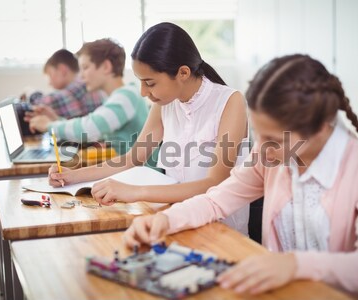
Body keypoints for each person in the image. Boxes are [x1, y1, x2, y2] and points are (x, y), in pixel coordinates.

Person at [122, 54, 358, 299]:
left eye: (274, 140)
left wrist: (295, 265)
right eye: (259, 136)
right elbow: (216, 201)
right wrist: (164, 220)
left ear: (319, 129)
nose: (264, 151)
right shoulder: (269, 155)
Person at [48, 22, 251, 235]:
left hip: (222, 230)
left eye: (150, 83)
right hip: (175, 221)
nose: (144, 92)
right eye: (141, 82)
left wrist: (136, 192)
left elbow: (213, 184)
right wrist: (73, 176)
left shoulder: (230, 101)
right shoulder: (165, 102)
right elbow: (132, 158)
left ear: (182, 73)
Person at [27, 38, 149, 155]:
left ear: (106, 67)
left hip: (142, 174)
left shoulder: (126, 97)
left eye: (85, 68)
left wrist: (49, 126)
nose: (81, 76)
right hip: (130, 171)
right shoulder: (116, 97)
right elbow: (95, 133)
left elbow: (89, 128)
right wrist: (56, 120)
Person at [26, 48, 105, 119]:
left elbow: (43, 103)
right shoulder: (80, 85)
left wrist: (30, 93)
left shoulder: (80, 85)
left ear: (62, 70)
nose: (49, 83)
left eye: (50, 75)